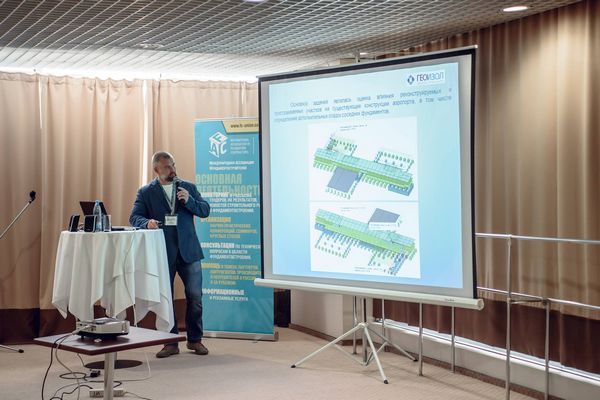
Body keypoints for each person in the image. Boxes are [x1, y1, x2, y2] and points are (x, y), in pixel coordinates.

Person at [129, 151, 210, 357]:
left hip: (189, 251)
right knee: (166, 299)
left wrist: (189, 201)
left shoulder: (188, 187)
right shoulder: (146, 192)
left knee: (195, 297)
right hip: (163, 252)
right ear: (156, 169)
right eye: (167, 166)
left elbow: (205, 210)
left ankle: (195, 340)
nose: (172, 169)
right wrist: (147, 222)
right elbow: (134, 217)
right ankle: (170, 342)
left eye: (173, 165)